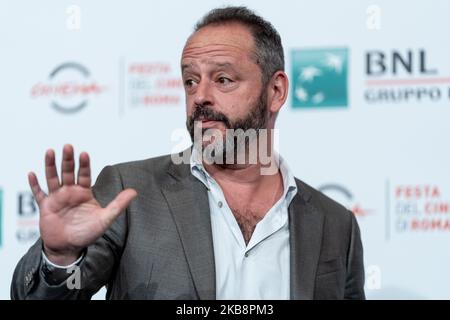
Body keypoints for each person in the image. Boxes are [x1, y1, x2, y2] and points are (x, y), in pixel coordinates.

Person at [11, 6, 365, 300]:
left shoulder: (336, 225)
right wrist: (59, 258)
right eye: (190, 81)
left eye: (223, 79)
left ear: (276, 91)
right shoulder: (131, 192)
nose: (200, 97)